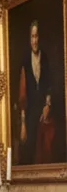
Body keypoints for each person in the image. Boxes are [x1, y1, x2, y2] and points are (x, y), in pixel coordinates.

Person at [17, 19, 56, 166]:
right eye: (32, 37)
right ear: (29, 39)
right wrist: (23, 124)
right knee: (30, 150)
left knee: (47, 147)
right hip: (29, 113)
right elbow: (22, 95)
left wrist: (47, 105)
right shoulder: (25, 62)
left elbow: (49, 84)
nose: (34, 40)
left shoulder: (44, 58)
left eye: (36, 36)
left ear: (39, 37)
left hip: (43, 110)